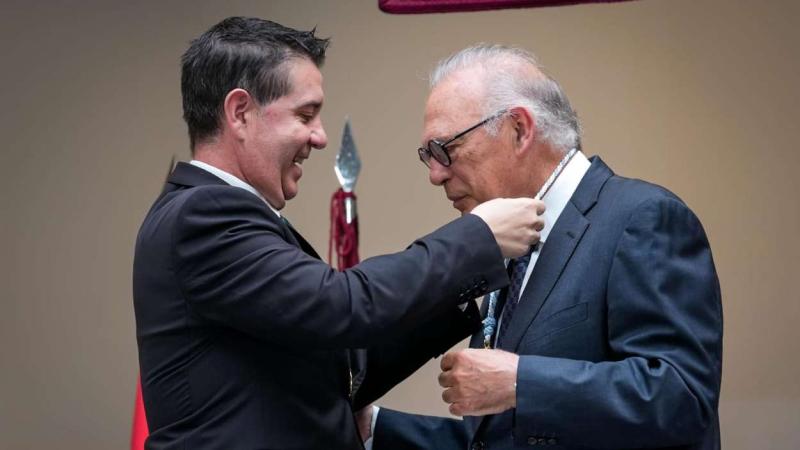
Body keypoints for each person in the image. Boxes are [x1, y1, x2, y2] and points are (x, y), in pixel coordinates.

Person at [132, 19, 545, 450]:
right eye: (305, 115)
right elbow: (340, 304)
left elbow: (344, 366)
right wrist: (479, 238)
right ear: (240, 112)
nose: (320, 137)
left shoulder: (219, 214)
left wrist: (457, 291)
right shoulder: (202, 214)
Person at [371, 45, 723, 450]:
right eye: (428, 157)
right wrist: (374, 429)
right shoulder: (513, 244)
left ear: (520, 129)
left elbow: (682, 398)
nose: (435, 174)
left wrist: (521, 382)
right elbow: (503, 439)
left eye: (445, 149)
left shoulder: (643, 216)